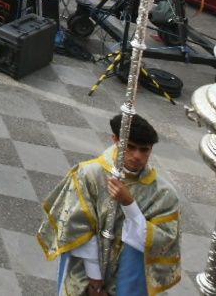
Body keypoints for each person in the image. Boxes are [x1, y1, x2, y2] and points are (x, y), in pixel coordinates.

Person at [37, 114, 182, 296]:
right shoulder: (89, 175)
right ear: (115, 140)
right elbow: (77, 228)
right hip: (85, 274)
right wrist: (95, 281)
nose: (137, 156)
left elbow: (163, 241)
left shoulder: (163, 194)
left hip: (127, 279)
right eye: (130, 147)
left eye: (144, 150)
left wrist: (129, 204)